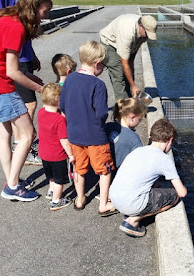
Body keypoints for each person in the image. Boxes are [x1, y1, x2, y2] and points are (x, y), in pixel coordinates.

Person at [0, 0, 53, 201]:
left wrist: (30, 77)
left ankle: (11, 179)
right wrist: (40, 89)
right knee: (28, 134)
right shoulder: (16, 27)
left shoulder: (3, 15)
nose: (46, 16)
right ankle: (12, 186)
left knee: (4, 133)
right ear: (34, 7)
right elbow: (11, 71)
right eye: (45, 11)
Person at [60, 40, 118, 216]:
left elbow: (62, 105)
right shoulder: (98, 85)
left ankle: (79, 199)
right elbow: (101, 113)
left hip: (74, 135)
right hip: (95, 136)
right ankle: (104, 203)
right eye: (103, 67)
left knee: (79, 168)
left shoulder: (69, 79)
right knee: (104, 170)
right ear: (97, 64)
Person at [109, 119, 187, 237]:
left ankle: (132, 211)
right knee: (174, 196)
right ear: (170, 140)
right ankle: (132, 220)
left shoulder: (139, 150)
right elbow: (182, 193)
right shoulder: (164, 159)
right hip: (130, 205)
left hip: (115, 198)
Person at [99, 14, 157, 100]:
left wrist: (132, 82)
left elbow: (131, 59)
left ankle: (130, 99)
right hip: (109, 42)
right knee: (118, 73)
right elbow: (124, 63)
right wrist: (133, 86)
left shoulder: (143, 35)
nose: (147, 37)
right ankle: (123, 107)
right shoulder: (128, 33)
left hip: (122, 40)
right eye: (147, 34)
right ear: (141, 26)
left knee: (128, 75)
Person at [38, 83, 74, 211]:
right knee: (60, 180)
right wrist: (70, 154)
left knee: (51, 176)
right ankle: (56, 201)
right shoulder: (59, 120)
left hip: (44, 153)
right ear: (59, 101)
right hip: (57, 155)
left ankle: (51, 191)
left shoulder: (40, 113)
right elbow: (63, 140)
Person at [106, 98, 147, 169]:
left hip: (102, 170)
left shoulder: (107, 126)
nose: (139, 123)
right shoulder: (134, 139)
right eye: (139, 119)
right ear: (132, 117)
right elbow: (138, 162)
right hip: (119, 174)